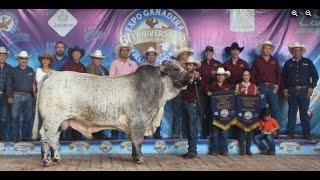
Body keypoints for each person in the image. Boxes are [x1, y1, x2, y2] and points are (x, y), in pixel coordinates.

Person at [282, 42, 319, 140]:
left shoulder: (308, 62)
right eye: (295, 50)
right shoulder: (288, 63)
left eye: (298, 50)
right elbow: (283, 78)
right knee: (292, 113)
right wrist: (285, 89)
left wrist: (312, 87)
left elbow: (315, 75)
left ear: (301, 51)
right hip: (292, 91)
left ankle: (307, 134)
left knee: (304, 113)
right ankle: (290, 133)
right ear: (292, 52)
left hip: (304, 91)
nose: (296, 52)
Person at [251, 40, 285, 133]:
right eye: (266, 48)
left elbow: (278, 74)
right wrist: (255, 87)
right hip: (261, 87)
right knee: (260, 109)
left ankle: (277, 131)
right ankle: (259, 131)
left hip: (272, 87)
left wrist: (277, 86)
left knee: (275, 109)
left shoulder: (275, 61)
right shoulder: (256, 61)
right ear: (263, 49)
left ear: (271, 50)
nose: (267, 50)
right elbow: (252, 75)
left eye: (269, 48)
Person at [109, 43, 138, 139]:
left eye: (126, 50)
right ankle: (114, 136)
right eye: (123, 50)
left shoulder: (133, 64)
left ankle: (130, 136)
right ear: (119, 52)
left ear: (128, 52)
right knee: (116, 114)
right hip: (117, 93)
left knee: (129, 115)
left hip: (130, 94)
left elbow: (136, 79)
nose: (125, 52)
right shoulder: (114, 63)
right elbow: (111, 78)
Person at [6, 51, 36, 142]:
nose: (23, 60)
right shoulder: (13, 70)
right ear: (19, 59)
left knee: (28, 118)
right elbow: (9, 85)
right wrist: (9, 96)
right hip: (16, 96)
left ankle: (25, 137)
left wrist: (34, 95)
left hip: (28, 97)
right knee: (15, 117)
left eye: (25, 58)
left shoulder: (31, 70)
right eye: (22, 58)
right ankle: (15, 137)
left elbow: (34, 84)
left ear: (27, 60)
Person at [206, 67, 232, 156]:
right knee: (215, 133)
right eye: (219, 75)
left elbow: (231, 99)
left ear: (224, 77)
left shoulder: (228, 87)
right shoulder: (212, 86)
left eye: (222, 75)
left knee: (224, 133)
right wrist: (209, 93)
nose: (220, 77)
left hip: (225, 114)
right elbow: (207, 93)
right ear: (216, 76)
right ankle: (214, 150)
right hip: (215, 114)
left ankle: (224, 150)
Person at [198, 45, 222, 139]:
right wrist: (206, 89)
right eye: (207, 52)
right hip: (203, 93)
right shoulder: (200, 64)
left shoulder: (218, 64)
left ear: (213, 53)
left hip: (214, 93)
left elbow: (220, 78)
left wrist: (211, 89)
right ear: (205, 53)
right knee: (203, 113)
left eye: (210, 52)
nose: (209, 53)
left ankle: (214, 134)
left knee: (214, 113)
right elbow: (199, 79)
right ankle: (204, 134)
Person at [62, 46, 86, 140]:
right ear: (72, 55)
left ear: (80, 55)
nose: (76, 54)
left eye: (78, 53)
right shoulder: (66, 66)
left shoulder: (82, 66)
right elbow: (63, 81)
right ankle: (68, 137)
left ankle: (77, 136)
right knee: (69, 116)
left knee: (79, 117)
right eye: (74, 53)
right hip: (69, 95)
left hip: (80, 96)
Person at [180, 56, 201, 159]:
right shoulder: (184, 75)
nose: (189, 66)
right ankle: (191, 150)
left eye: (191, 65)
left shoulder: (196, 76)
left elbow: (202, 84)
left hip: (192, 103)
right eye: (188, 64)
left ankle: (193, 150)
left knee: (192, 127)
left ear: (194, 66)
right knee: (188, 127)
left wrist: (197, 78)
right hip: (185, 102)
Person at [170, 47, 194, 139]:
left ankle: (186, 133)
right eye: (185, 54)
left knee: (187, 113)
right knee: (177, 113)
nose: (187, 56)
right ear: (180, 55)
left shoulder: (190, 65)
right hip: (177, 91)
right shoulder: (174, 65)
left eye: (187, 54)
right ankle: (176, 133)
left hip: (188, 92)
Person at [86, 49, 108, 140]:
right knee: (95, 114)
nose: (99, 60)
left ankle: (100, 133)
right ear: (93, 59)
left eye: (100, 59)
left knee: (101, 115)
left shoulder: (103, 69)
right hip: (94, 94)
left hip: (103, 94)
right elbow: (92, 81)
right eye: (97, 59)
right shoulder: (90, 67)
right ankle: (94, 133)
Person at [235, 69, 258, 155]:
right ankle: (242, 149)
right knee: (241, 130)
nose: (246, 76)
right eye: (244, 75)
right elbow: (235, 98)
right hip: (241, 112)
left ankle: (248, 149)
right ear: (242, 76)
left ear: (250, 76)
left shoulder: (254, 86)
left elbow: (256, 100)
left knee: (250, 131)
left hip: (250, 112)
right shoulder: (238, 86)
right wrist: (239, 92)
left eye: (247, 75)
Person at [143, 47, 162, 139]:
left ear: (155, 56)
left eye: (153, 55)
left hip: (157, 93)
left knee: (158, 113)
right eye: (149, 55)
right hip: (146, 93)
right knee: (146, 113)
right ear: (147, 57)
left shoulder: (160, 67)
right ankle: (146, 133)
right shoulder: (142, 67)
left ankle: (157, 133)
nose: (151, 57)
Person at [0, 47, 12, 141]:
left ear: (6, 57)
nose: (2, 57)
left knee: (4, 117)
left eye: (4, 55)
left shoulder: (10, 68)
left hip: (4, 95)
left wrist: (9, 96)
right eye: (0, 55)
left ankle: (2, 136)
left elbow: (10, 84)